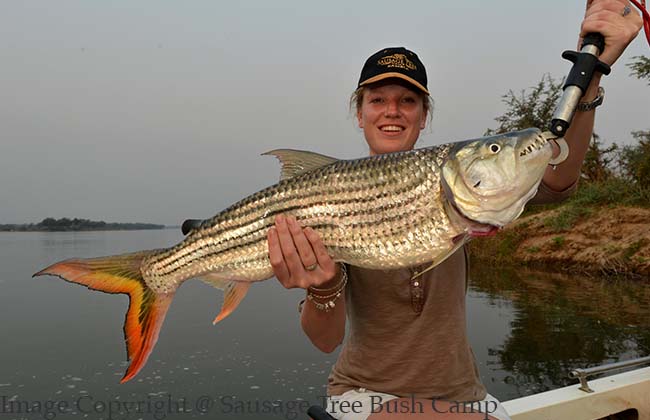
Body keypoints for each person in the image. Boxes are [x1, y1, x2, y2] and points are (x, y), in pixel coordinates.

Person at [267, 1, 643, 419]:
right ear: (360, 113)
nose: (392, 111)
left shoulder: (465, 185)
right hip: (363, 396)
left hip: (465, 395)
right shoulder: (331, 198)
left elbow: (558, 172)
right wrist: (323, 287)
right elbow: (325, 340)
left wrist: (590, 74)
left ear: (424, 115)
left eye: (408, 100)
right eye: (378, 99)